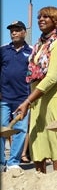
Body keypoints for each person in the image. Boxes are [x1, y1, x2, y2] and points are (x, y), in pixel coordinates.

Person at [14, 7, 57, 173]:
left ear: (56, 20)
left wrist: (28, 101)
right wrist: (32, 98)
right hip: (40, 96)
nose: (41, 19)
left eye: (46, 17)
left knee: (56, 135)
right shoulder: (40, 45)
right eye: (39, 17)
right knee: (38, 137)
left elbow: (52, 77)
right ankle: (40, 179)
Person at [0, 20, 32, 171]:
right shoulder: (3, 50)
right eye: (12, 30)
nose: (13, 32)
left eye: (17, 30)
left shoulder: (31, 51)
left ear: (24, 32)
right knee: (1, 129)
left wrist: (30, 98)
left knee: (20, 130)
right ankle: (1, 162)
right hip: (4, 98)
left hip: (22, 100)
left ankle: (13, 162)